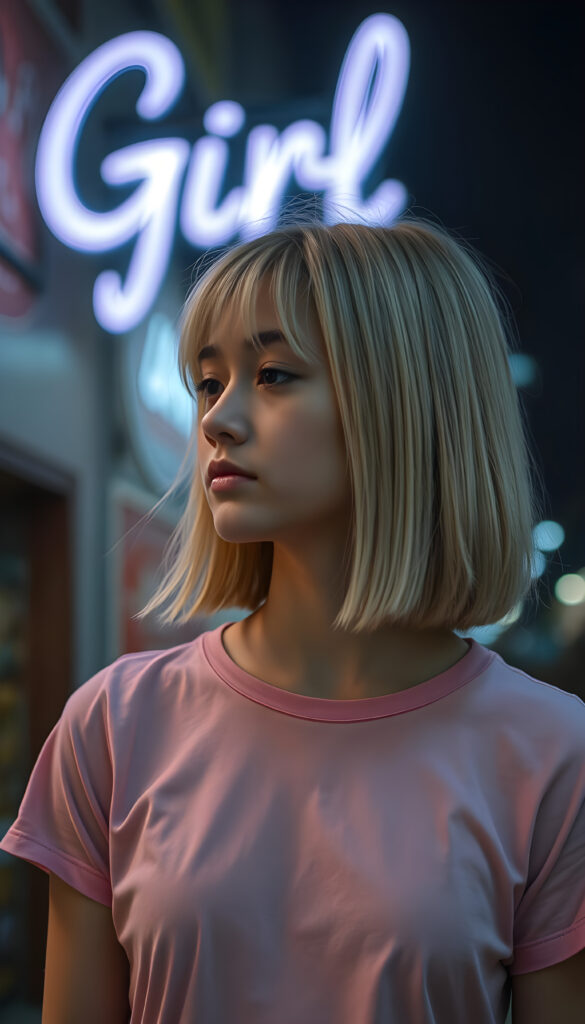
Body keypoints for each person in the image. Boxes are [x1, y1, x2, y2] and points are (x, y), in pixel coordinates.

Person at [1, 217, 584, 1024]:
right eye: (209, 382)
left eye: (272, 374)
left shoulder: (549, 753)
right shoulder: (113, 725)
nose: (216, 419)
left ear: (406, 402)